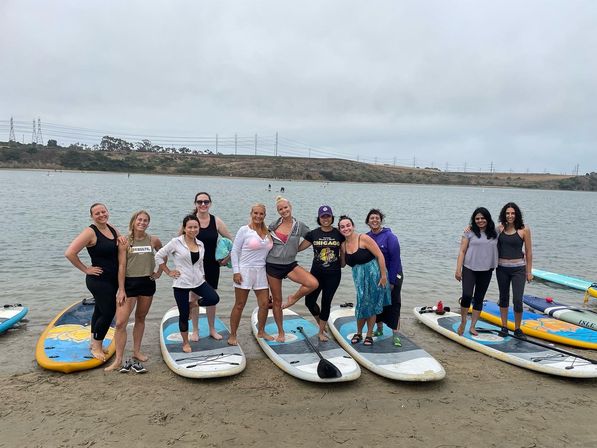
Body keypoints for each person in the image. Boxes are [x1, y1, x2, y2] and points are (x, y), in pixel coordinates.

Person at [105, 210, 162, 372]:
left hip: (147, 282)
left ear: (148, 223)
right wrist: (121, 289)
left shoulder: (153, 240)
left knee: (140, 317)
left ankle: (137, 351)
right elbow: (121, 266)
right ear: (134, 221)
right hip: (129, 284)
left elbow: (163, 255)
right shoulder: (124, 241)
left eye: (145, 220)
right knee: (121, 322)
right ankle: (118, 360)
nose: (142, 223)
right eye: (140, 220)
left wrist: (159, 272)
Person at [155, 215, 220, 353]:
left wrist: (202, 275)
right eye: (190, 227)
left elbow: (200, 263)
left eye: (195, 227)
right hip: (181, 283)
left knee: (214, 298)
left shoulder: (200, 244)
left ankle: (192, 305)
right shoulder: (176, 242)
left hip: (198, 281)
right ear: (184, 228)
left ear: (199, 228)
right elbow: (159, 255)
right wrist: (168, 271)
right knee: (183, 315)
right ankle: (185, 343)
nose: (192, 229)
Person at [64, 203, 121, 362]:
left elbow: (121, 242)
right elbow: (70, 253)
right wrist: (86, 269)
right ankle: (97, 346)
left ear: (108, 212)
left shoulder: (111, 228)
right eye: (97, 213)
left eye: (103, 211)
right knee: (108, 312)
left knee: (100, 310)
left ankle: (92, 341)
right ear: (92, 216)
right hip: (98, 280)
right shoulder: (90, 232)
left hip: (112, 279)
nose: (101, 215)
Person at [266, 196, 318, 342]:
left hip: (290, 264)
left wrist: (297, 249)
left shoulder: (299, 225)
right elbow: (264, 243)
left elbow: (312, 237)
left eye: (285, 207)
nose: (284, 211)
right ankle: (281, 332)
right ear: (278, 211)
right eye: (280, 209)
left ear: (290, 207)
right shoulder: (273, 226)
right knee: (277, 301)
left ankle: (293, 298)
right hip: (273, 265)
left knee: (313, 283)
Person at [338, 215, 391, 346]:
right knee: (362, 303)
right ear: (340, 230)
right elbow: (343, 264)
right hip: (358, 276)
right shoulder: (343, 245)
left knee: (371, 303)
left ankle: (368, 335)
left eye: (348, 225)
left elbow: (379, 255)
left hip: (374, 273)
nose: (346, 228)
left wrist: (383, 276)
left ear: (353, 226)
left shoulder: (363, 238)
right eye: (342, 227)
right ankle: (359, 332)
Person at [189, 192, 232, 341]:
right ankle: (195, 330)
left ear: (210, 203)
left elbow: (231, 241)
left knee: (211, 298)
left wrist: (227, 258)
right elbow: (178, 242)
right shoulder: (191, 222)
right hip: (195, 265)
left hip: (212, 265)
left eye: (206, 202)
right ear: (195, 204)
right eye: (200, 202)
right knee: (194, 295)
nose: (203, 204)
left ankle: (212, 329)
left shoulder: (216, 221)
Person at [228, 204, 274, 345]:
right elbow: (234, 251)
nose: (258, 216)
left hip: (261, 271)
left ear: (265, 215)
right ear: (251, 213)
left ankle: (261, 330)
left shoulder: (268, 232)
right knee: (240, 304)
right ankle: (233, 335)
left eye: (261, 214)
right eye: (256, 213)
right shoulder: (244, 230)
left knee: (265, 304)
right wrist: (236, 271)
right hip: (245, 271)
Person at [298, 205, 344, 342]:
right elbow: (298, 249)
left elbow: (346, 251)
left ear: (332, 217)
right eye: (323, 217)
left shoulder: (339, 234)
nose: (325, 219)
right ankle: (321, 324)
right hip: (316, 274)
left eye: (328, 216)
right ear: (319, 218)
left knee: (326, 302)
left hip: (334, 274)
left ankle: (321, 332)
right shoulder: (313, 234)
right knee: (309, 301)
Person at [455, 207, 498, 336]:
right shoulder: (469, 232)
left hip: (487, 269)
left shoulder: (495, 232)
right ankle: (463, 321)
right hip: (469, 268)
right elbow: (462, 251)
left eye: (483, 218)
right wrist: (458, 269)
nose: (480, 220)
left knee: (479, 298)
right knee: (467, 295)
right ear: (474, 220)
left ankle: (473, 326)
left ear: (488, 219)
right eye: (477, 218)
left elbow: (510, 228)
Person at [365, 209, 404, 347]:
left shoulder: (390, 237)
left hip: (393, 274)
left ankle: (396, 335)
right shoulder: (366, 237)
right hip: (376, 276)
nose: (374, 220)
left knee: (394, 304)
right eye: (372, 218)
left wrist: (392, 280)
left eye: (377, 218)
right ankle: (379, 329)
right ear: (368, 221)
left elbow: (395, 260)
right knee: (377, 304)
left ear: (381, 220)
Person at [496, 202, 533, 337]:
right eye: (507, 213)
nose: (510, 216)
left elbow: (528, 252)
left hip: (519, 270)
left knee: (517, 299)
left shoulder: (524, 230)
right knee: (503, 297)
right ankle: (504, 326)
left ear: (516, 215)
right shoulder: (499, 229)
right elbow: (484, 234)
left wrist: (529, 272)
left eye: (512, 213)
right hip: (502, 269)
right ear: (504, 215)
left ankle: (517, 328)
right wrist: (470, 228)